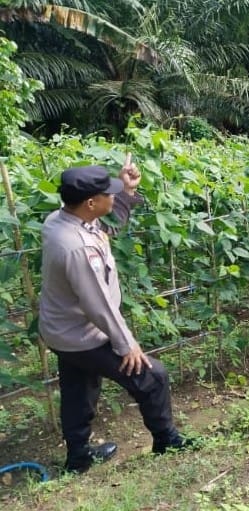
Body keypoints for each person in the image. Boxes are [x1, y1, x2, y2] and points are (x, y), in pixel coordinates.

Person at [39, 155, 190, 473]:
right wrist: (126, 344)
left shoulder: (61, 219)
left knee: (79, 387)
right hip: (82, 332)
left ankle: (78, 457)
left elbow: (104, 228)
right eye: (109, 193)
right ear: (91, 203)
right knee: (152, 376)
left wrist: (125, 193)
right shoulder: (78, 248)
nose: (113, 195)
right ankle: (167, 440)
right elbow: (99, 305)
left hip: (60, 329)